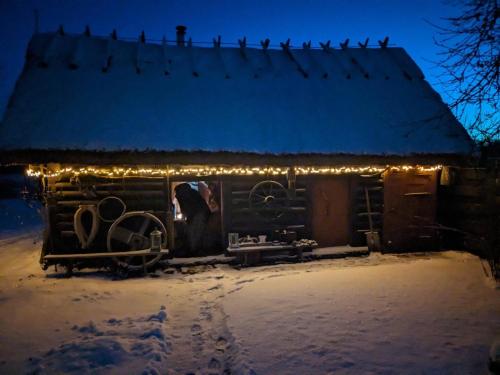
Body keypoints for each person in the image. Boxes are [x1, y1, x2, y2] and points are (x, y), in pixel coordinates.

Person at [174, 183, 211, 256]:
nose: (176, 195)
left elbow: (186, 208)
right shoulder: (191, 193)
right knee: (195, 232)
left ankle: (194, 250)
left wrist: (187, 217)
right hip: (199, 214)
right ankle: (194, 249)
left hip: (199, 214)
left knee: (195, 232)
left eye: (176, 193)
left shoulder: (185, 195)